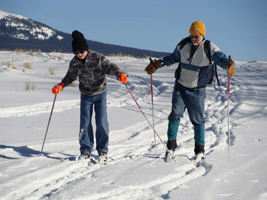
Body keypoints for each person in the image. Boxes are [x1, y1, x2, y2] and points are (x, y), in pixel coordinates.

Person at [145, 21, 235, 162]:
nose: (193, 39)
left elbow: (220, 58)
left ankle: (199, 151)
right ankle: (171, 148)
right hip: (180, 87)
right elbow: (173, 57)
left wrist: (229, 65)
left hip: (197, 90)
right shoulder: (183, 45)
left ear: (202, 35)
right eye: (191, 36)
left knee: (198, 120)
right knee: (174, 115)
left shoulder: (209, 47)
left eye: (196, 36)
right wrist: (158, 64)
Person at [52, 30, 128, 164]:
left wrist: (119, 74)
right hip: (85, 95)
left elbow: (110, 67)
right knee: (85, 123)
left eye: (81, 51)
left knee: (101, 122)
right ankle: (85, 151)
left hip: (100, 94)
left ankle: (103, 151)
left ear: (86, 49)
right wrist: (61, 85)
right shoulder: (75, 62)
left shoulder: (98, 58)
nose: (79, 55)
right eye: (76, 52)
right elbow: (70, 76)